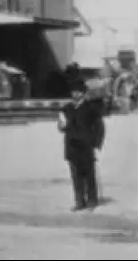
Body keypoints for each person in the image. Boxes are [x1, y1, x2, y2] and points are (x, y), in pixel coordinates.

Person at [58, 79, 106, 212]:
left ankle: (92, 199)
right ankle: (79, 200)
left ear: (84, 93)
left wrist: (96, 142)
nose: (75, 94)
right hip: (71, 145)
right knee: (76, 176)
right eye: (74, 91)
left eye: (78, 91)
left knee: (89, 174)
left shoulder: (90, 108)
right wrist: (61, 125)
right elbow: (61, 125)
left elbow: (99, 126)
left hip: (86, 145)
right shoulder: (67, 108)